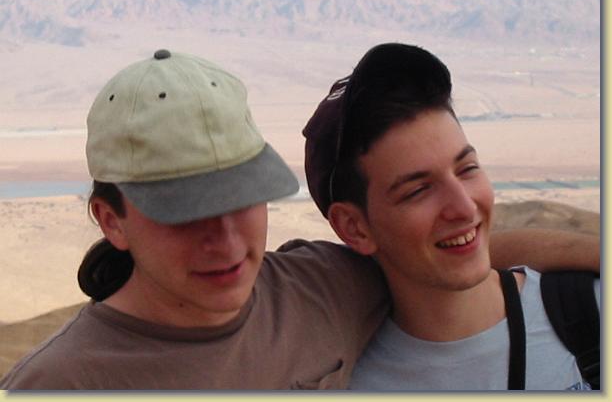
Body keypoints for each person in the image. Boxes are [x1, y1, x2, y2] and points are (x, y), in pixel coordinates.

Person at [1, 49, 599, 390]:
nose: (226, 241)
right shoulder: (60, 384)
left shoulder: (319, 289)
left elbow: (445, 252)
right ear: (111, 220)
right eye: (185, 213)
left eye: (242, 198)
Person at [302, 42, 600, 390]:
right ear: (355, 228)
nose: (464, 207)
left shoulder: (589, 315)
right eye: (418, 190)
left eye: (467, 168)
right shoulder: (339, 381)